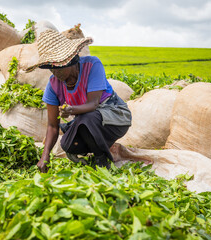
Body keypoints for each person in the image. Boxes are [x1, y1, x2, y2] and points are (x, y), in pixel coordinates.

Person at [24, 29, 132, 173]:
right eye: (51, 68)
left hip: (116, 117)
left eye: (58, 67)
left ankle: (101, 158)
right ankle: (76, 131)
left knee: (86, 118)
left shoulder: (92, 65)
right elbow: (52, 126)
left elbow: (93, 104)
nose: (55, 72)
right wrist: (45, 156)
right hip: (87, 122)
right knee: (68, 144)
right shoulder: (53, 85)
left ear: (70, 59)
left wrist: (71, 110)